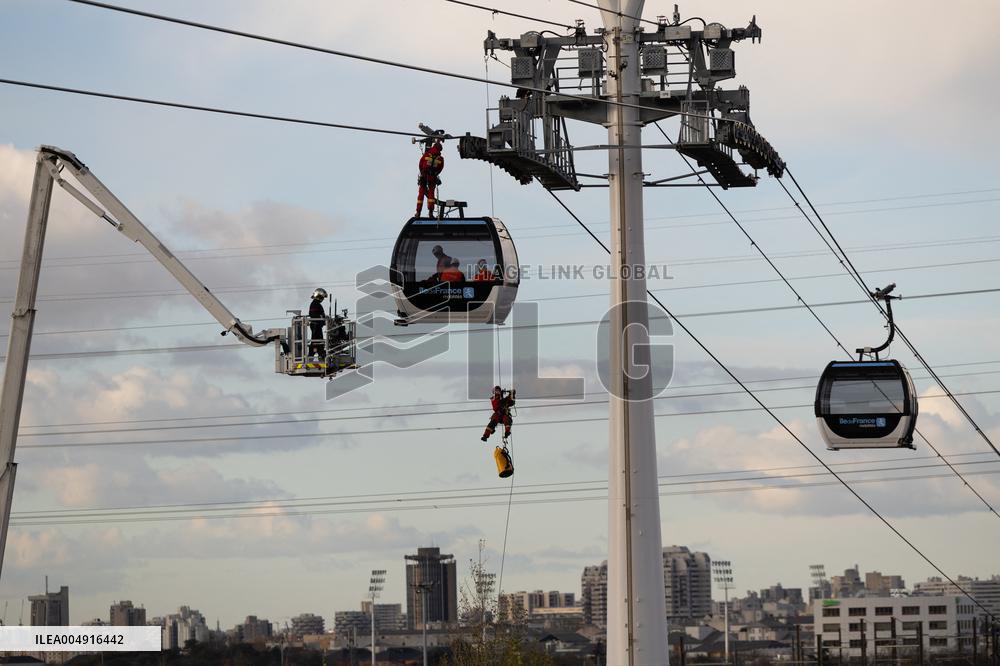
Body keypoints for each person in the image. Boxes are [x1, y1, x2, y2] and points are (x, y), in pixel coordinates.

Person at [415, 141, 444, 217]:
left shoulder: (426, 154)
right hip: (432, 177)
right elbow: (440, 169)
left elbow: (420, 164)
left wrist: (422, 173)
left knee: (421, 194)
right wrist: (435, 175)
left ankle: (418, 213)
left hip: (424, 176)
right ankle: (431, 212)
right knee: (431, 194)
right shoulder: (440, 158)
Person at [308, 288, 328, 358]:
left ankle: (320, 352)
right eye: (322, 297)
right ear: (319, 296)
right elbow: (313, 315)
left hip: (318, 325)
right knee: (316, 340)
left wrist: (324, 319)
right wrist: (321, 318)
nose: (322, 299)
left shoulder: (316, 304)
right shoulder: (314, 304)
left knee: (319, 341)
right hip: (315, 325)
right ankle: (313, 354)